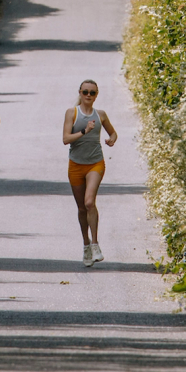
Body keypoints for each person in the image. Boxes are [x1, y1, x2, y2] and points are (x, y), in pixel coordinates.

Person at [62, 79, 117, 267]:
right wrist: (85, 131)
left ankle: (95, 244)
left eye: (92, 93)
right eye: (85, 92)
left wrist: (111, 139)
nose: (88, 95)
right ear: (80, 92)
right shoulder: (72, 113)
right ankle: (85, 244)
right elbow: (66, 139)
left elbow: (113, 133)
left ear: (96, 95)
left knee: (89, 202)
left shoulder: (100, 115)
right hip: (76, 165)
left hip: (95, 164)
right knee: (81, 208)